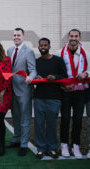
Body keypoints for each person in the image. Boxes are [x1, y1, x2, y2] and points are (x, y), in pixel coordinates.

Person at [56, 29, 90, 159]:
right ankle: (64, 144)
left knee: (78, 119)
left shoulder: (86, 53)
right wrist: (63, 84)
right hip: (65, 91)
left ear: (80, 38)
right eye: (71, 36)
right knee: (64, 118)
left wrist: (86, 73)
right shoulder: (60, 53)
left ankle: (76, 145)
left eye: (76, 36)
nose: (73, 38)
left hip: (80, 92)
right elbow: (57, 71)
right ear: (68, 37)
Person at [33, 38, 67, 159]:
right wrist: (35, 77)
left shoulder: (58, 61)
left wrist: (55, 77)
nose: (43, 47)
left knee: (52, 124)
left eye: (45, 45)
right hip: (39, 98)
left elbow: (65, 76)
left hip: (54, 98)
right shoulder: (36, 62)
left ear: (49, 46)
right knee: (39, 124)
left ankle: (52, 148)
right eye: (41, 45)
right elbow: (31, 77)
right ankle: (41, 149)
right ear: (38, 47)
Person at [6, 28, 37, 156]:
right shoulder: (9, 50)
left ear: (23, 36)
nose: (16, 37)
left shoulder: (29, 51)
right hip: (11, 89)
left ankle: (24, 144)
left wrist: (31, 77)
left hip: (24, 89)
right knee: (15, 117)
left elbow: (33, 70)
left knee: (25, 118)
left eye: (18, 35)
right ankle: (16, 139)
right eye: (14, 35)